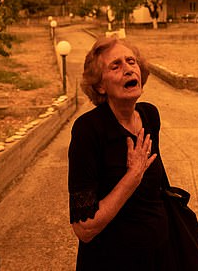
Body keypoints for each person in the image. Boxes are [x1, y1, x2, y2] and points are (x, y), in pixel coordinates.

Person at [68, 36, 174, 270]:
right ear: (100, 85)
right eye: (115, 66)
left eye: (131, 62)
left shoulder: (149, 115)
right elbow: (84, 228)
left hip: (160, 256)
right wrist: (132, 176)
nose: (128, 69)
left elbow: (156, 190)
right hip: (112, 260)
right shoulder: (88, 130)